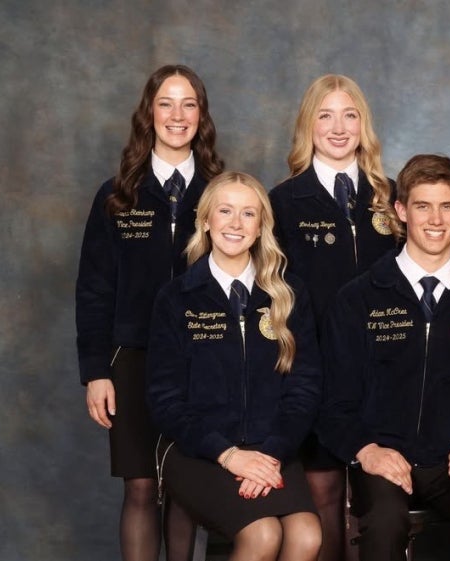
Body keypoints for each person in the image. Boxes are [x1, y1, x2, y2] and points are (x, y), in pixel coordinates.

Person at [318, 154, 450, 560]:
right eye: (423, 206)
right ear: (400, 210)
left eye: (447, 206)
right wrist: (365, 450)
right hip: (384, 455)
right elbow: (334, 401)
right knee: (385, 521)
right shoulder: (359, 297)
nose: (436, 219)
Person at [75, 64, 225, 561]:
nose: (177, 116)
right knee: (141, 486)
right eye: (166, 103)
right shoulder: (118, 195)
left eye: (188, 104)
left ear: (201, 116)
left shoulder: (220, 193)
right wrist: (96, 372)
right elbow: (94, 290)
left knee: (185, 486)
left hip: (204, 357)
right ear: (149, 114)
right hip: (133, 359)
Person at [146, 171, 322, 560]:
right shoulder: (176, 298)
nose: (236, 224)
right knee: (262, 534)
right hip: (200, 450)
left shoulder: (289, 294)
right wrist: (228, 455)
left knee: (307, 535)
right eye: (225, 211)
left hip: (272, 446)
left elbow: (305, 388)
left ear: (261, 228)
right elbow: (165, 400)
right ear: (206, 220)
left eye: (248, 214)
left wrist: (273, 452)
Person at [270, 74, 399, 561]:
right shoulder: (283, 201)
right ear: (309, 125)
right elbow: (274, 292)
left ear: (364, 125)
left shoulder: (391, 196)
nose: (339, 128)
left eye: (350, 115)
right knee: (323, 492)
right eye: (325, 116)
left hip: (385, 370)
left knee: (377, 493)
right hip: (316, 367)